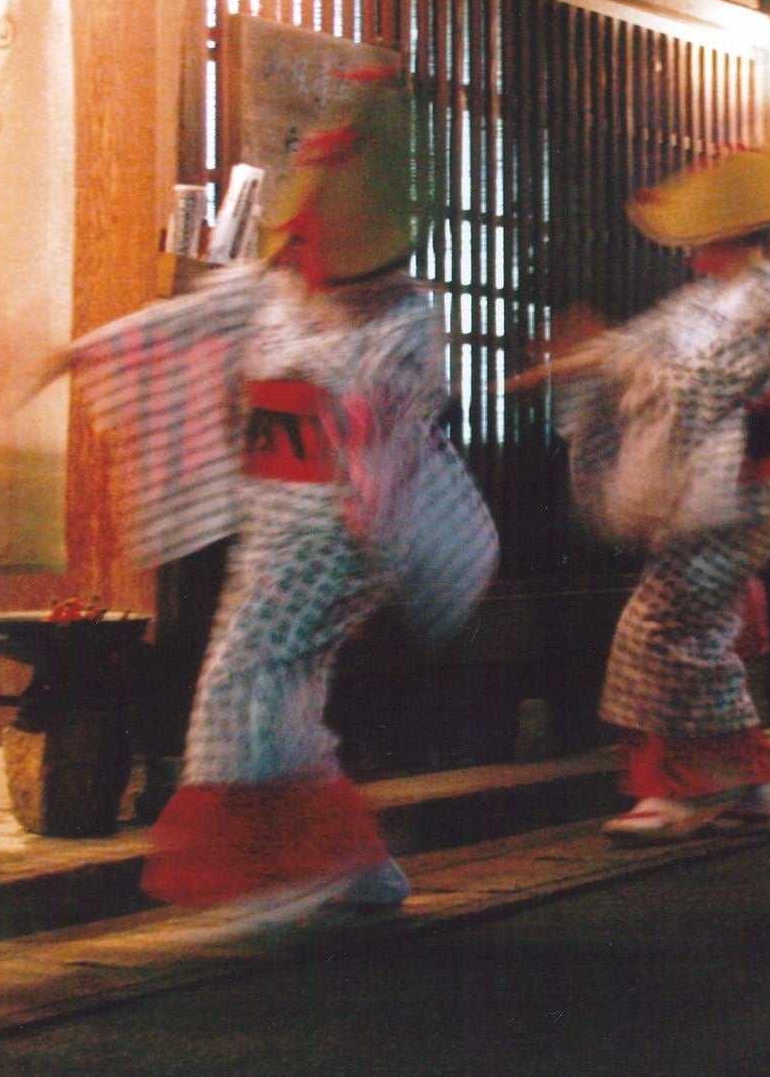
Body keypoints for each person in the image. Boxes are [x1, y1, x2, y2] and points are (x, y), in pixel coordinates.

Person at [53, 64, 498, 922]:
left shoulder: (404, 315)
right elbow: (180, 322)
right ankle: (350, 866)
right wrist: (79, 352)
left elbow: (397, 416)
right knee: (278, 682)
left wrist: (349, 414)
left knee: (246, 678)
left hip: (340, 529)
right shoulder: (273, 291)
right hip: (275, 528)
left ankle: (286, 869)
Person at [511, 121, 770, 843]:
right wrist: (560, 367)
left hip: (734, 497)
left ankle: (684, 790)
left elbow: (695, 386)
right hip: (705, 494)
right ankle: (751, 782)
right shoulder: (698, 305)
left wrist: (611, 367)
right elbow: (633, 348)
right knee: (687, 635)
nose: (692, 244)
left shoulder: (763, 309)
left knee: (660, 633)